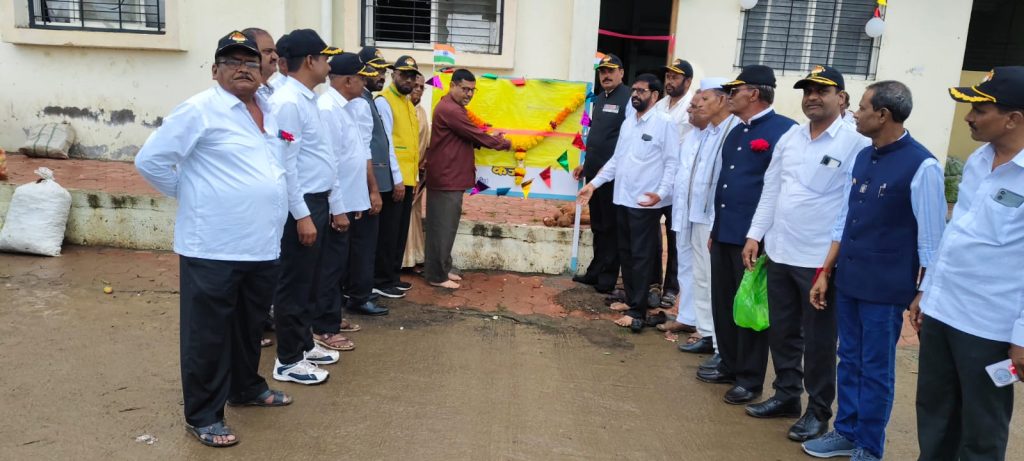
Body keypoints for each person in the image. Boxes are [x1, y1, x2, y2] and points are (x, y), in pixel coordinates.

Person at [135, 30, 293, 447]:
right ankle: (204, 414)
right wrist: (192, 195)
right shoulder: (200, 110)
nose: (243, 68)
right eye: (231, 62)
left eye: (250, 61)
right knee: (207, 333)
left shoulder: (269, 108)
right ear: (214, 70)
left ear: (262, 69)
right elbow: (150, 161)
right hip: (213, 245)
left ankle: (245, 387)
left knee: (248, 326)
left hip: (262, 243)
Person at [804, 80, 946, 461]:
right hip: (850, 279)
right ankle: (846, 431)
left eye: (863, 108)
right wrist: (826, 270)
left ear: (883, 115)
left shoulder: (922, 165)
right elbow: (845, 217)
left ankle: (869, 445)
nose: (855, 113)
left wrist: (925, 292)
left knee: (876, 368)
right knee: (848, 358)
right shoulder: (864, 156)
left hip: (885, 287)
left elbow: (933, 240)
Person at [740, 66, 869, 442]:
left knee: (819, 340)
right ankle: (786, 395)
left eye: (821, 91)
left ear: (841, 98)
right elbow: (772, 188)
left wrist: (832, 261)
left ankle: (818, 410)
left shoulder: (854, 143)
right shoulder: (791, 137)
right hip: (780, 250)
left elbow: (851, 206)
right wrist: (755, 234)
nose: (812, 97)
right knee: (782, 332)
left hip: (818, 260)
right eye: (807, 91)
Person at [914, 66, 1024, 461]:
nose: (969, 118)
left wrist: (1022, 336)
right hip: (943, 312)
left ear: (1013, 119)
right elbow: (955, 235)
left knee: (981, 429)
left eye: (980, 110)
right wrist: (927, 293)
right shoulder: (979, 159)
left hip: (989, 327)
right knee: (935, 415)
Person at [700, 65, 797, 406]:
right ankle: (729, 363)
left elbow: (779, 190)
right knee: (724, 302)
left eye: (734, 90)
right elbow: (725, 184)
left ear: (754, 93)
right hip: (726, 232)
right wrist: (716, 228)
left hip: (755, 237)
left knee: (750, 307)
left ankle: (750, 378)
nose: (728, 96)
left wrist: (761, 235)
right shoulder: (736, 132)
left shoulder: (785, 131)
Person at [268, 28, 344, 385]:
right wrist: (301, 215)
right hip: (301, 205)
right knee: (294, 283)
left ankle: (303, 345)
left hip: (317, 200)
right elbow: (286, 164)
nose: (329, 64)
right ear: (310, 60)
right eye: (325, 57)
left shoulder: (307, 99)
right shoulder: (288, 102)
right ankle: (287, 361)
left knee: (310, 281)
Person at [576, 73, 681, 332]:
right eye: (634, 90)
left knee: (641, 256)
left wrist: (661, 193)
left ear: (654, 95)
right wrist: (593, 184)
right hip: (622, 197)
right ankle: (632, 299)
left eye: (641, 91)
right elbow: (616, 160)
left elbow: (672, 162)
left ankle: (638, 312)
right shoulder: (629, 122)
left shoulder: (664, 123)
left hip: (645, 202)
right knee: (626, 253)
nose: (635, 95)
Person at [311, 53, 379, 353]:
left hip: (348, 201)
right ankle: (323, 327)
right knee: (329, 268)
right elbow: (330, 165)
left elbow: (356, 155)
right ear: (349, 80)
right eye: (362, 78)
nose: (364, 83)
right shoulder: (328, 109)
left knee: (338, 266)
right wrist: (338, 208)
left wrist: (359, 200)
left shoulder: (347, 107)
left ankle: (332, 317)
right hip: (334, 204)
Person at [423, 69, 512, 289]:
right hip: (446, 178)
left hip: (450, 177)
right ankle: (436, 276)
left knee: (446, 226)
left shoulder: (452, 108)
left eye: (472, 90)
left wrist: (490, 138)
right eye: (465, 89)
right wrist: (504, 144)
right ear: (452, 85)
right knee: (442, 228)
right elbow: (475, 134)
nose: (469, 94)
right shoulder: (451, 110)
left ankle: (443, 268)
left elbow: (468, 135)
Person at [675, 78, 738, 362]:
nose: (697, 104)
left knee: (714, 281)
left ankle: (720, 345)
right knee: (700, 277)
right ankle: (706, 333)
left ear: (722, 100)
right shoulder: (707, 132)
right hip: (694, 214)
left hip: (713, 218)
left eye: (704, 99)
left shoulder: (732, 130)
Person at [341, 46, 401, 316]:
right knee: (362, 244)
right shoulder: (359, 103)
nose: (381, 75)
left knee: (366, 243)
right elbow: (362, 150)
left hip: (369, 183)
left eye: (382, 70)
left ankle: (359, 290)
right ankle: (358, 294)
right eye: (375, 69)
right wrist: (373, 188)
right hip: (364, 185)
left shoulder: (367, 100)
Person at [572, 54, 629, 294]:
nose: (606, 75)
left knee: (610, 226)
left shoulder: (628, 98)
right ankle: (595, 271)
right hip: (594, 175)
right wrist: (586, 165)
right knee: (597, 225)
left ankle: (607, 277)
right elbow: (596, 137)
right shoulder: (599, 98)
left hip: (612, 176)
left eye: (610, 71)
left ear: (621, 73)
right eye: (602, 71)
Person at [373, 56, 421, 299]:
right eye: (404, 75)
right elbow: (388, 143)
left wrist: (413, 176)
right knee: (388, 232)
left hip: (408, 177)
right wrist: (397, 179)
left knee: (400, 232)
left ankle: (392, 276)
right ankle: (380, 280)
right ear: (394, 75)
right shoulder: (385, 101)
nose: (409, 80)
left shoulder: (408, 103)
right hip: (395, 179)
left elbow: (410, 143)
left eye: (412, 76)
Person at [648, 58, 694, 310]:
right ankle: (653, 283)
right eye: (668, 76)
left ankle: (672, 288)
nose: (670, 81)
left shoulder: (692, 106)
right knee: (652, 233)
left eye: (675, 77)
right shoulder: (660, 105)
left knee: (675, 236)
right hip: (657, 179)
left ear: (688, 81)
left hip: (679, 181)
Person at [661, 88, 705, 336]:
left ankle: (706, 328)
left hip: (705, 216)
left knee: (704, 271)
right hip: (684, 211)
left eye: (695, 106)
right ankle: (687, 317)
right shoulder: (691, 136)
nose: (689, 109)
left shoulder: (719, 135)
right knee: (686, 266)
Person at [403, 74, 429, 270]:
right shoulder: (402, 109)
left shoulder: (422, 112)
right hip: (403, 174)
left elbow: (425, 143)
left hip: (419, 172)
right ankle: (403, 261)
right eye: (415, 85)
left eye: (422, 87)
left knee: (415, 214)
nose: (418, 89)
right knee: (404, 217)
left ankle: (415, 258)